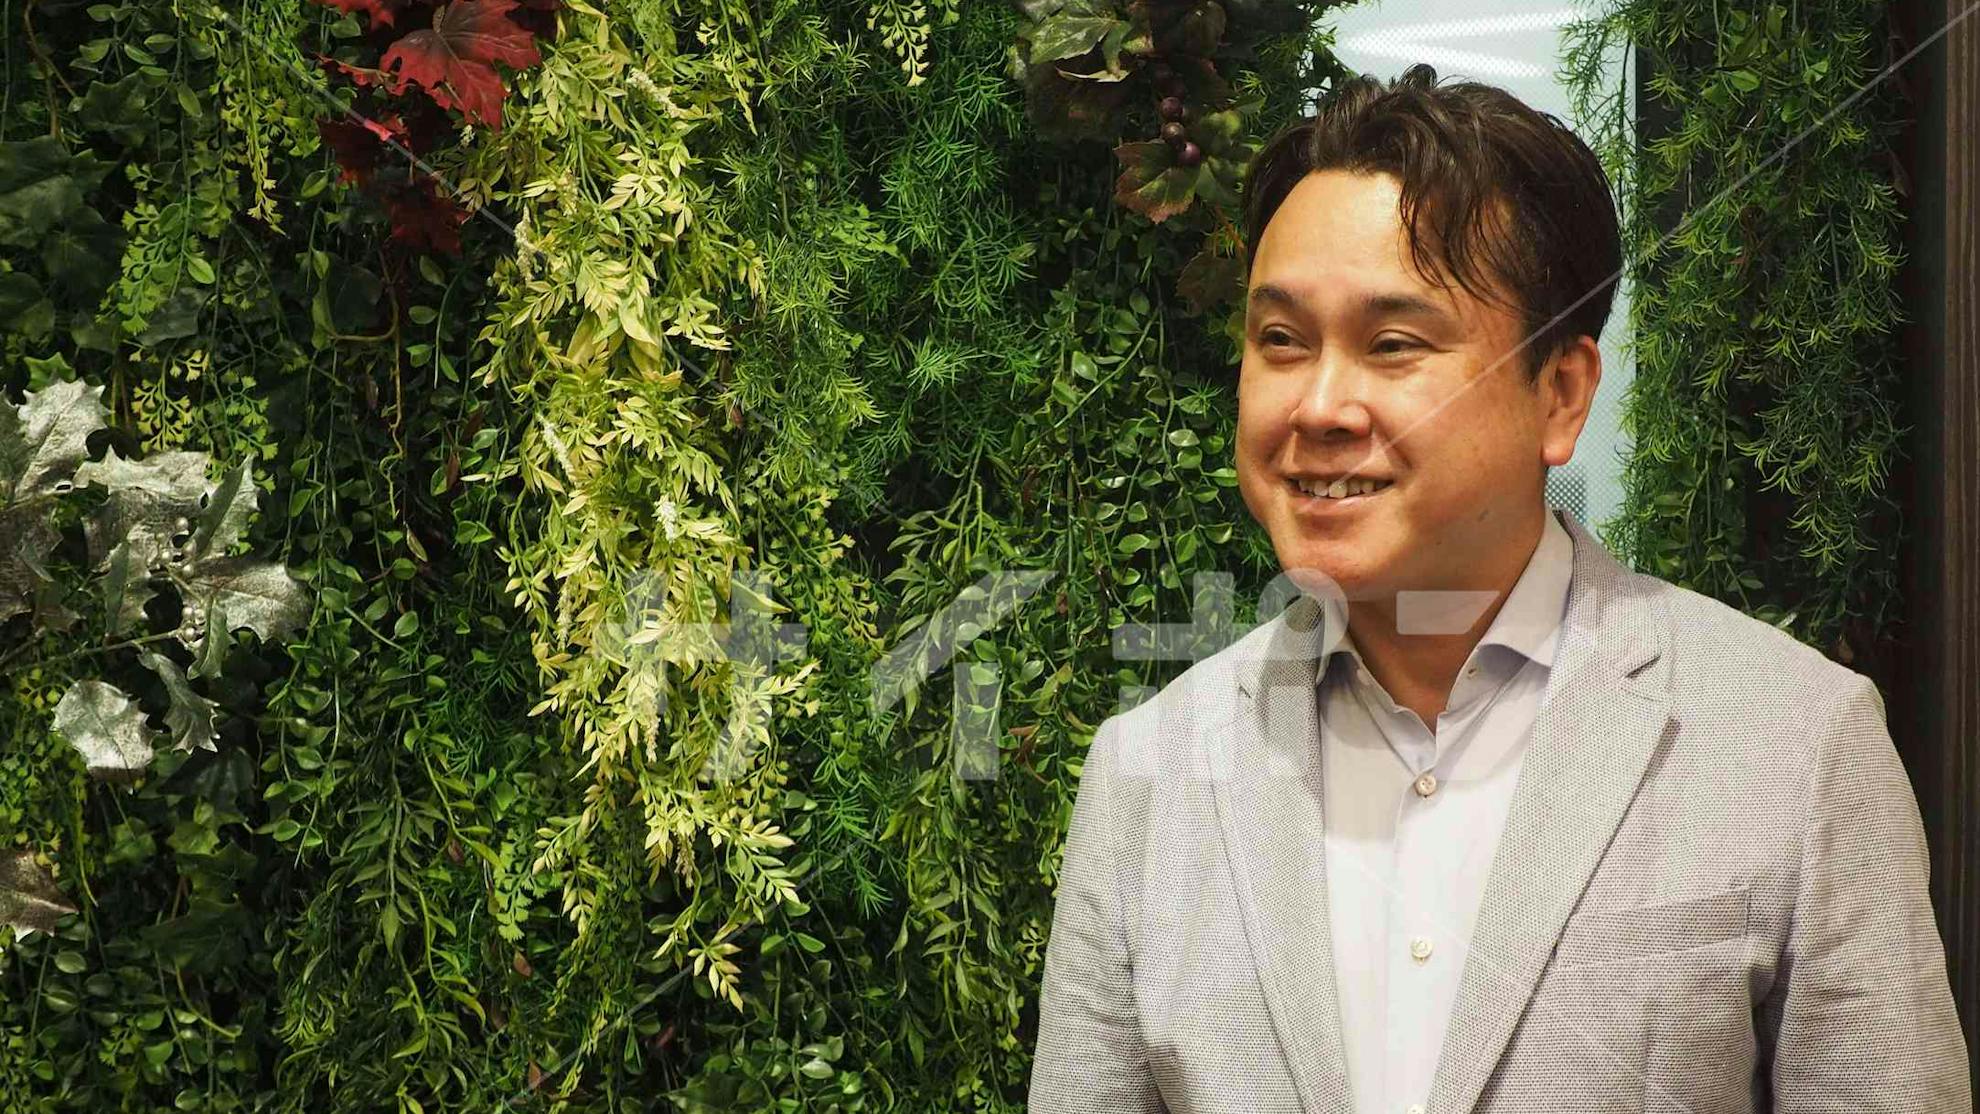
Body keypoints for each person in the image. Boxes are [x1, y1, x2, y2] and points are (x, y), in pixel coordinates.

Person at [1027, 64, 1970, 1114]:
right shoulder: (1146, 775)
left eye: (1393, 344)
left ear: (1559, 395)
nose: (1321, 406)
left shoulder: (1796, 743)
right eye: (1281, 341)